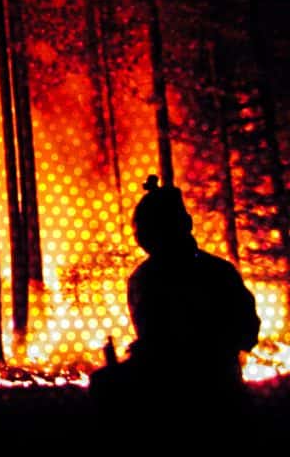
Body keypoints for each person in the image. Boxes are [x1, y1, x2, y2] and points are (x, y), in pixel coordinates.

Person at [91, 175, 260, 438]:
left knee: (107, 386)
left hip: (198, 383)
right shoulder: (214, 270)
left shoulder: (148, 278)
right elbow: (248, 332)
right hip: (203, 380)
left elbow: (158, 341)